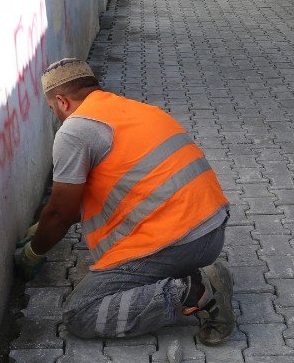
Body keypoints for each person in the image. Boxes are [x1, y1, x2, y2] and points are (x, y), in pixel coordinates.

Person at [16, 58, 235, 345]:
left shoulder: (75, 130)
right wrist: (48, 222)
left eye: (52, 109)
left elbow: (61, 211)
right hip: (212, 232)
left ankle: (195, 290)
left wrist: (34, 251)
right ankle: (195, 277)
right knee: (104, 269)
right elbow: (114, 187)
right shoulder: (133, 110)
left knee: (81, 312)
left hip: (178, 242)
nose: (56, 115)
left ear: (61, 101)